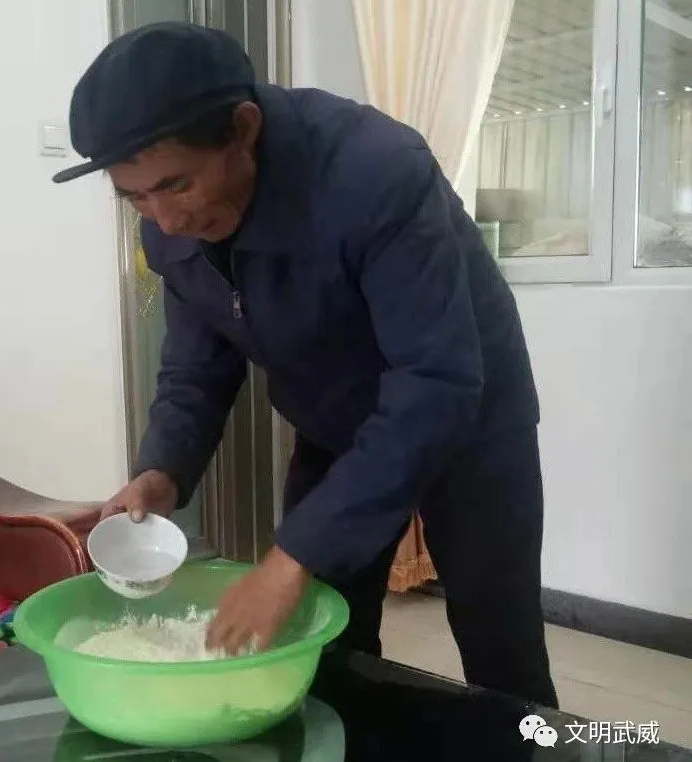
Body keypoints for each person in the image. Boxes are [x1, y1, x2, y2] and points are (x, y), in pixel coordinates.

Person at [53, 21, 559, 708]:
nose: (163, 220)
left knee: (501, 654)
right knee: (326, 645)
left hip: (468, 418)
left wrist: (292, 557)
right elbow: (195, 366)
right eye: (135, 196)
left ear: (244, 128)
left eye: (176, 185)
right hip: (336, 424)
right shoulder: (168, 228)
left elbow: (435, 382)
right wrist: (160, 471)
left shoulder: (375, 171)